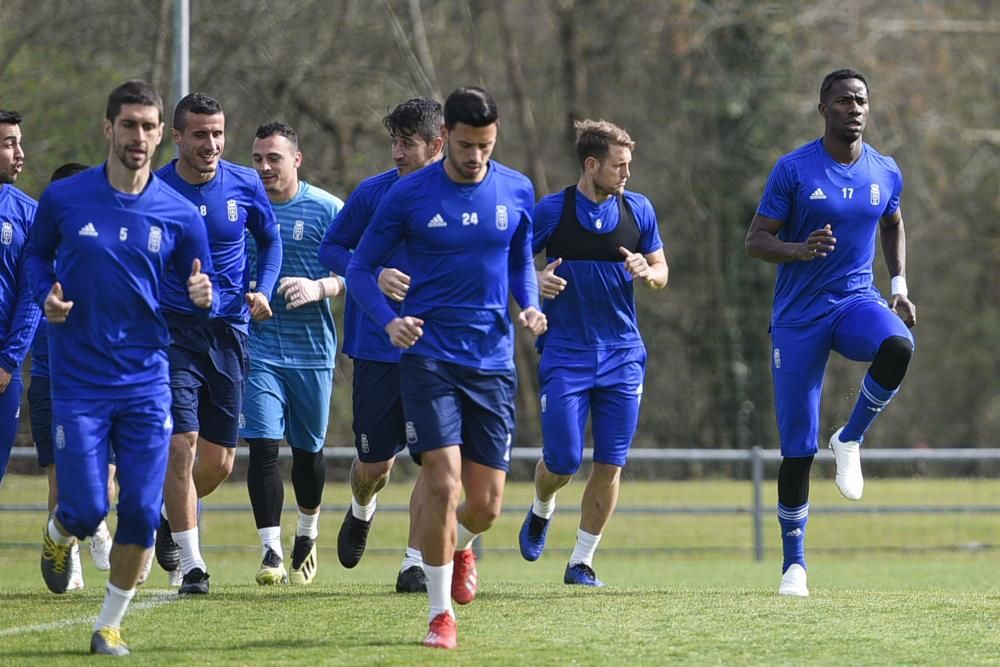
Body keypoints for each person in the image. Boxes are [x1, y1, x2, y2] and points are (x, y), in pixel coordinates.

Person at [346, 86, 547, 650]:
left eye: (485, 145)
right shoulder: (409, 196)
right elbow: (360, 267)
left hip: (492, 363)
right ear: (446, 140)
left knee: (483, 506)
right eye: (464, 146)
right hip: (428, 358)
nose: (475, 157)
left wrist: (526, 303)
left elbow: (517, 258)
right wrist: (388, 321)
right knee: (442, 481)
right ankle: (439, 616)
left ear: (495, 137)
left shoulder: (517, 188)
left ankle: (460, 547)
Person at [27, 80, 215, 656]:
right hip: (80, 380)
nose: (139, 136)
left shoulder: (179, 213)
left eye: (149, 126)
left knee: (138, 508)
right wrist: (45, 298)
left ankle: (109, 623)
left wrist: (206, 293)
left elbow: (200, 276)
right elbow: (35, 256)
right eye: (128, 124)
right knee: (84, 508)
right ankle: (59, 535)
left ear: (163, 135)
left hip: (146, 380)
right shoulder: (66, 200)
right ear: (109, 128)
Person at [745, 69, 916, 597]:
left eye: (861, 100)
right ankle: (793, 565)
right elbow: (756, 240)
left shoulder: (884, 170)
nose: (855, 108)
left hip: (856, 301)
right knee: (797, 446)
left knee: (898, 345)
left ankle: (851, 437)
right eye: (844, 100)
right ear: (824, 109)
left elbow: (892, 221)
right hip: (799, 317)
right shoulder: (793, 170)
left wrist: (900, 282)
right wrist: (798, 250)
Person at [518, 120, 668, 586]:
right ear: (591, 165)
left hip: (623, 354)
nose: (627, 174)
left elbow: (663, 271)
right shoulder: (552, 211)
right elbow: (513, 260)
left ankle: (581, 561)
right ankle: (542, 507)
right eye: (618, 166)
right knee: (562, 460)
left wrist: (649, 271)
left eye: (629, 165)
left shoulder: (638, 209)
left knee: (610, 462)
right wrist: (534, 282)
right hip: (566, 351)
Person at [155, 93, 282, 594]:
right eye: (200, 134)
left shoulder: (246, 183)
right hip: (173, 332)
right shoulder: (156, 189)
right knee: (180, 444)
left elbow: (270, 242)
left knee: (219, 461)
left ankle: (166, 518)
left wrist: (263, 290)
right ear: (178, 137)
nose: (211, 144)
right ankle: (192, 566)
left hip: (229, 332)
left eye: (218, 133)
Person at [318, 96, 445, 594]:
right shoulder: (373, 194)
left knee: (435, 460)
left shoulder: (457, 196)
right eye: (394, 141)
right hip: (376, 346)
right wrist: (373, 270)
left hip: (436, 350)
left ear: (436, 145)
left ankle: (413, 562)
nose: (396, 152)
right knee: (375, 464)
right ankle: (361, 507)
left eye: (407, 144)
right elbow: (332, 247)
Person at [242, 121, 344, 585]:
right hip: (259, 348)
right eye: (258, 158)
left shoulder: (326, 209)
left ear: (296, 160)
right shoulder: (241, 209)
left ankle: (306, 533)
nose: (264, 167)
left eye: (274, 158)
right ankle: (270, 552)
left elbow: (361, 270)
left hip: (312, 353)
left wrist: (320, 286)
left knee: (308, 455)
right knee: (263, 448)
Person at [29, 162, 118, 590]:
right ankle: (70, 556)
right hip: (54, 375)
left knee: (107, 476)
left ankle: (97, 521)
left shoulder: (109, 241)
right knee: (60, 474)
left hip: (106, 375)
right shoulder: (41, 252)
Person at [0, 109, 40, 485]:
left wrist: (9, 362)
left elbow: (31, 298)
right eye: (9, 144)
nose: (20, 153)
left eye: (19, 143)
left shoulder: (29, 214)